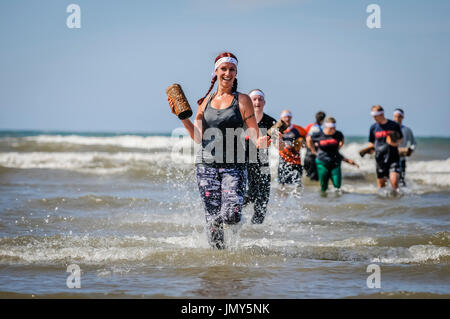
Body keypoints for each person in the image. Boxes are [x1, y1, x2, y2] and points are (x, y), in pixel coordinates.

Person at [169, 52, 270, 249]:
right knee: (212, 218)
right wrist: (182, 118)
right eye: (223, 69)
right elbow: (198, 137)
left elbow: (256, 137)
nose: (227, 73)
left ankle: (222, 232)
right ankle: (219, 265)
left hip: (235, 165)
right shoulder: (205, 101)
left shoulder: (242, 100)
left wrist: (265, 141)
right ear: (216, 71)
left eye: (231, 69)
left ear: (236, 72)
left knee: (232, 214)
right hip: (206, 166)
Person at [243, 89, 276, 224]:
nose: (257, 102)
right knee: (250, 194)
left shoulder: (271, 122)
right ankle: (232, 214)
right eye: (254, 99)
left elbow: (281, 146)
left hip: (262, 163)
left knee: (263, 197)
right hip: (243, 162)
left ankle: (256, 229)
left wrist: (280, 141)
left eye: (260, 99)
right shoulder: (241, 120)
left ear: (264, 102)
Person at [306, 117, 359, 193]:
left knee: (337, 186)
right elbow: (309, 139)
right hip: (322, 162)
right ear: (326, 126)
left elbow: (342, 140)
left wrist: (339, 147)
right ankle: (324, 201)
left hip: (335, 162)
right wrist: (313, 150)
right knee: (324, 187)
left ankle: (337, 202)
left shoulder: (338, 134)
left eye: (334, 128)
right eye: (331, 128)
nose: (333, 130)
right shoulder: (319, 134)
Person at [367, 105, 403, 190]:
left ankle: (396, 201)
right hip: (380, 159)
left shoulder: (394, 125)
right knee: (381, 187)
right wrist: (369, 149)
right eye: (373, 116)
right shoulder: (373, 127)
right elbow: (371, 142)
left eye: (375, 116)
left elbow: (401, 139)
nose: (374, 118)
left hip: (393, 157)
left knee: (394, 183)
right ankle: (383, 203)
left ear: (382, 114)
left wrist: (395, 143)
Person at [277, 110, 307, 186]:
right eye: (285, 117)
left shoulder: (298, 129)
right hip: (283, 158)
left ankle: (296, 196)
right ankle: (282, 197)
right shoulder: (277, 128)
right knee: (282, 183)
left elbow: (307, 139)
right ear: (281, 118)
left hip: (296, 159)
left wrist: (302, 143)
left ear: (291, 118)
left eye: (288, 117)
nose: (287, 119)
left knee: (297, 183)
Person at [393, 108, 417, 186]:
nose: (397, 118)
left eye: (399, 116)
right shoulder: (390, 128)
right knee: (391, 178)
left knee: (401, 180)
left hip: (402, 158)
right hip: (391, 158)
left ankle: (402, 196)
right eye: (395, 116)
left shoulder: (406, 130)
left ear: (402, 117)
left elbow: (413, 143)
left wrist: (410, 151)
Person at [303, 111, 326, 181]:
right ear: (323, 119)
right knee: (313, 179)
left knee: (309, 178)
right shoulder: (317, 129)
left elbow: (304, 137)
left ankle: (309, 191)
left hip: (307, 155)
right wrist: (313, 151)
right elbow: (309, 139)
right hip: (312, 157)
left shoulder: (310, 126)